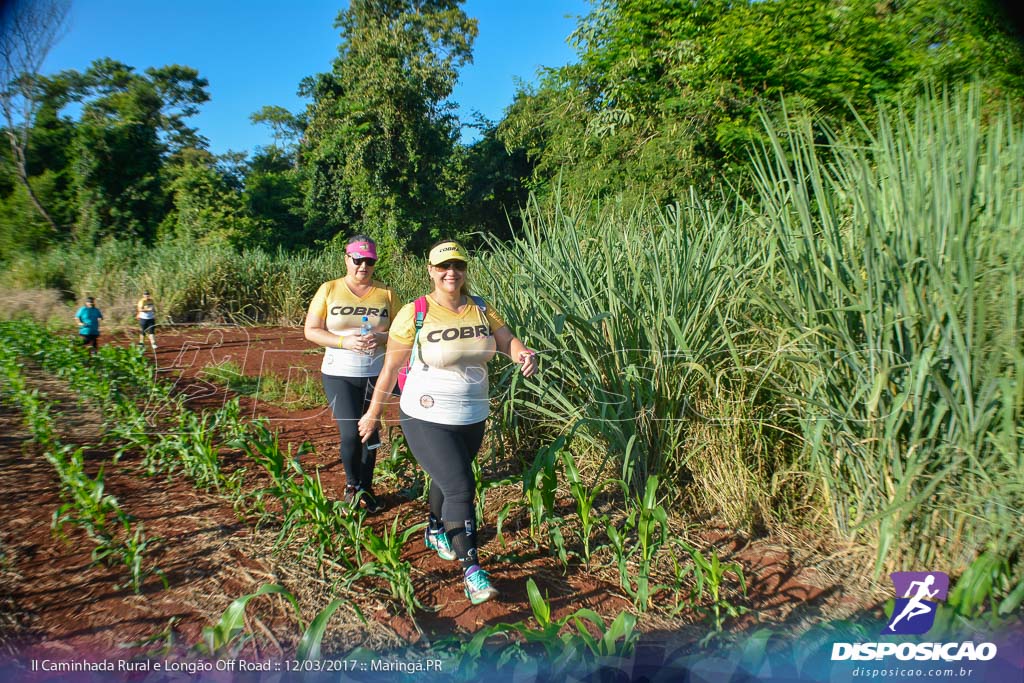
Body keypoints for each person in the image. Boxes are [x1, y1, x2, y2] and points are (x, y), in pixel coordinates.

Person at [357, 239, 538, 605]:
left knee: (448, 476)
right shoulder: (415, 312)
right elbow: (391, 367)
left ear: (465, 270)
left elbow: (506, 342)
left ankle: (435, 528)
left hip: (472, 414)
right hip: (425, 414)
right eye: (442, 266)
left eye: (457, 266)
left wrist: (523, 353)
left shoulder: (482, 309)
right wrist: (373, 414)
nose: (450, 272)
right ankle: (473, 570)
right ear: (431, 270)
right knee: (460, 486)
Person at [304, 235, 396, 513]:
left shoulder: (387, 294)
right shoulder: (329, 289)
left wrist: (381, 338)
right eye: (358, 260)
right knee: (350, 433)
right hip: (338, 373)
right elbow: (311, 331)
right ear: (346, 259)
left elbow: (402, 333)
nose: (363, 267)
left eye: (369, 261)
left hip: (375, 374)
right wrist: (345, 342)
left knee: (371, 431)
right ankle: (352, 486)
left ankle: (367, 489)